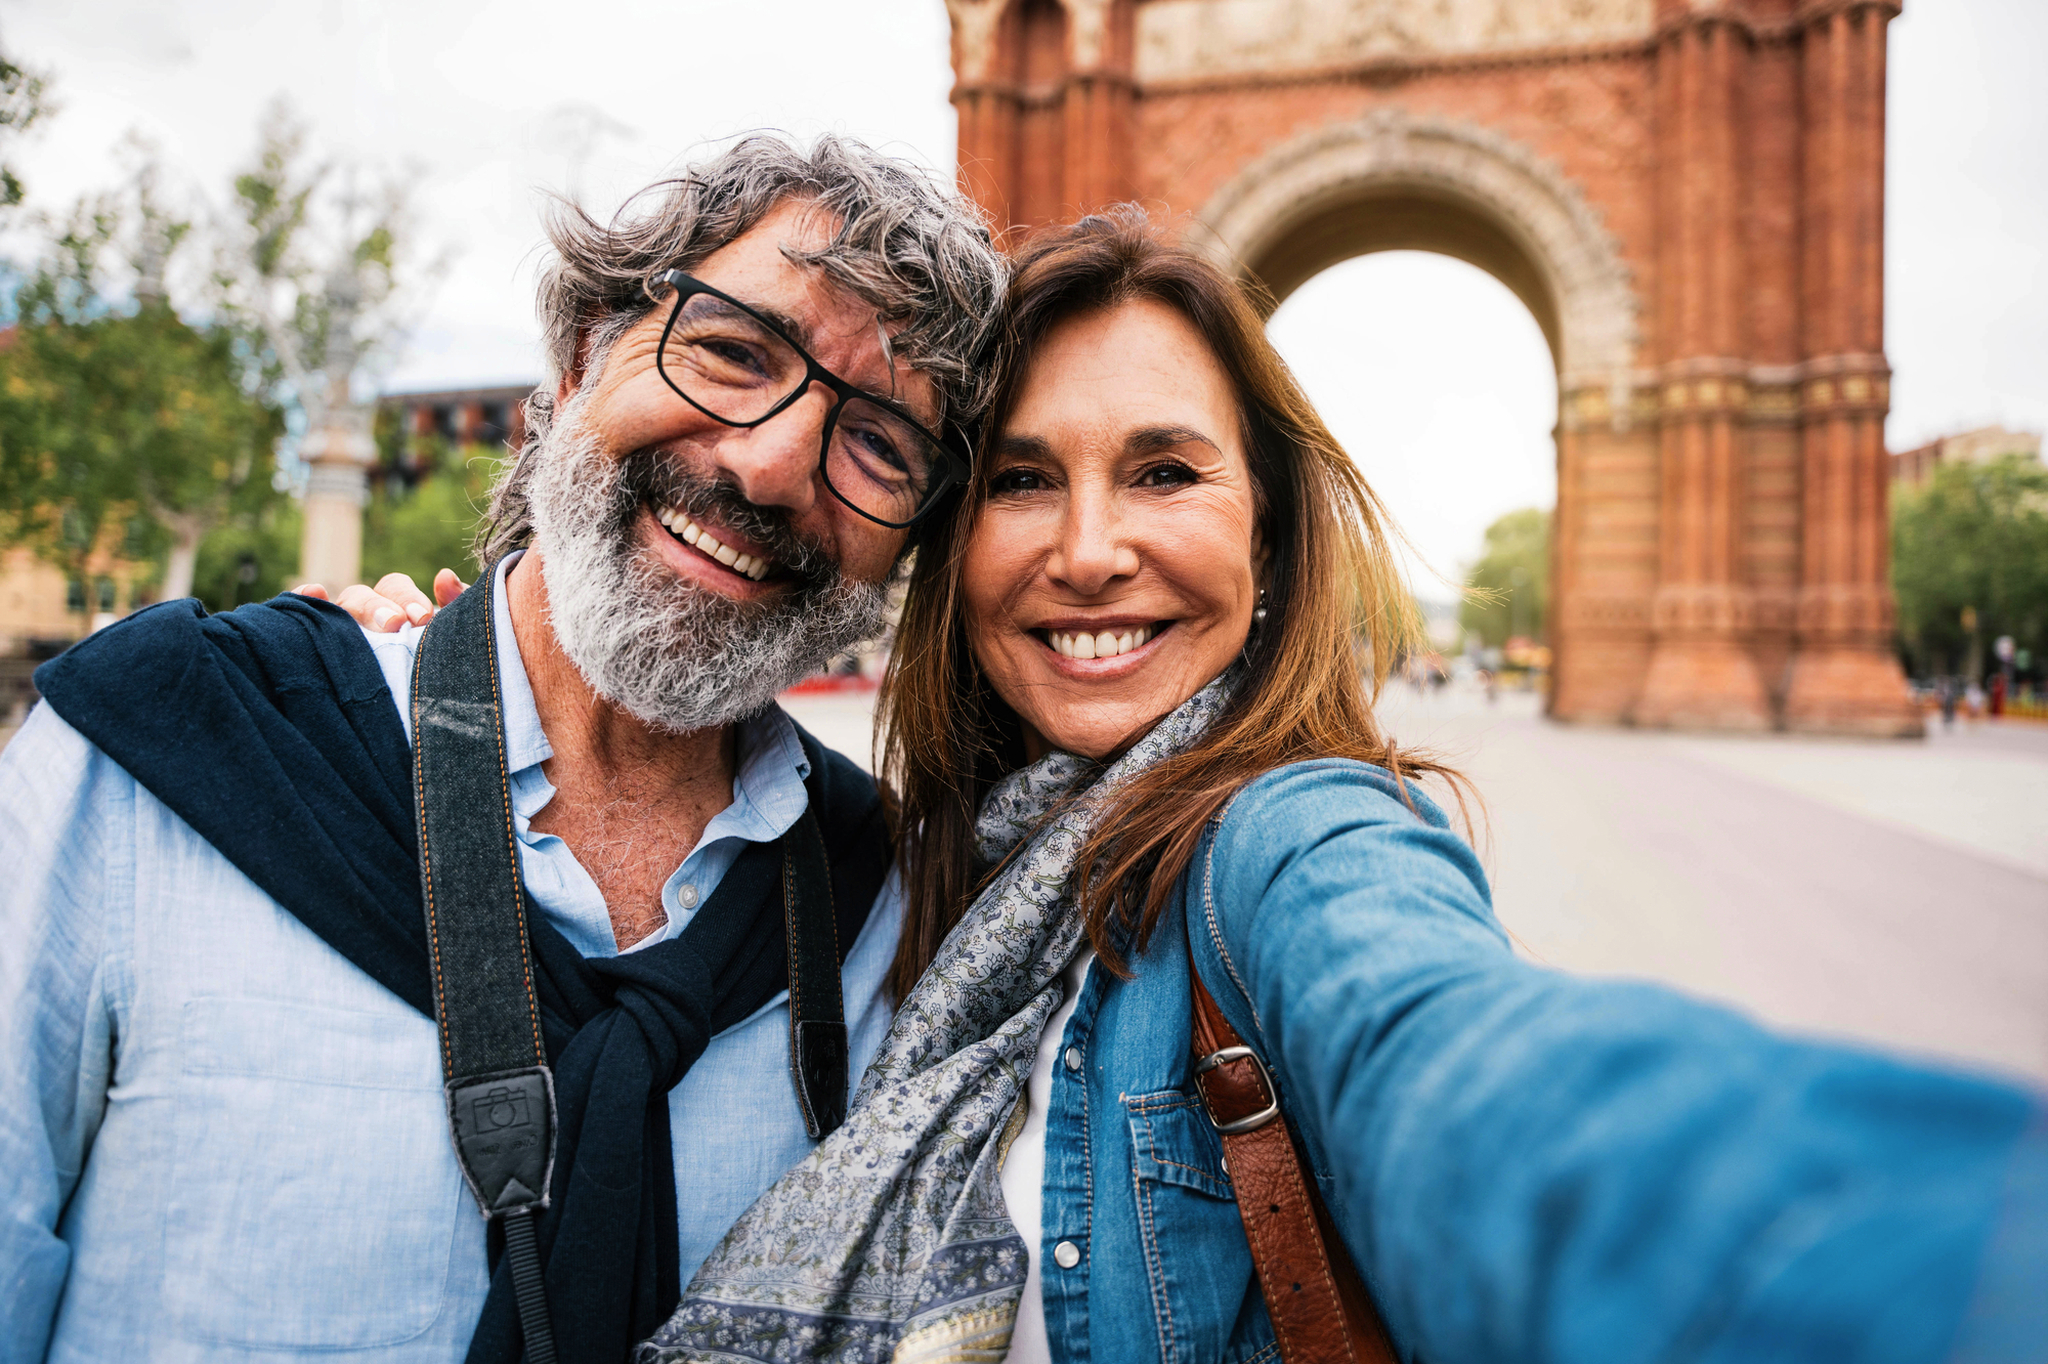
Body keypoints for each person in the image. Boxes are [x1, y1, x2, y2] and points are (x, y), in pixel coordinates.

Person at [335, 216, 2048, 1364]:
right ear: (949, 548)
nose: (1090, 551)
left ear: (1265, 527)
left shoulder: (1294, 837)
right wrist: (454, 661)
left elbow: (1463, 1069)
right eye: (1017, 478)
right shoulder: (914, 876)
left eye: (1162, 468)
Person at [0, 133, 1005, 1362]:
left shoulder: (887, 915)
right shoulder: (171, 761)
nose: (770, 462)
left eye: (879, 445)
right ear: (584, 353)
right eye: (735, 352)